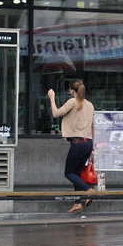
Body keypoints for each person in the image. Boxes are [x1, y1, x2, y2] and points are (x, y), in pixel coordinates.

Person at [48, 79, 95, 214]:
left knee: (68, 173)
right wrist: (93, 148)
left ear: (72, 91)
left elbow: (56, 113)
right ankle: (77, 203)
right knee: (77, 174)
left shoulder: (72, 102)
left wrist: (52, 98)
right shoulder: (90, 105)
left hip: (77, 144)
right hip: (88, 143)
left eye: (70, 90)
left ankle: (88, 191)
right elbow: (93, 127)